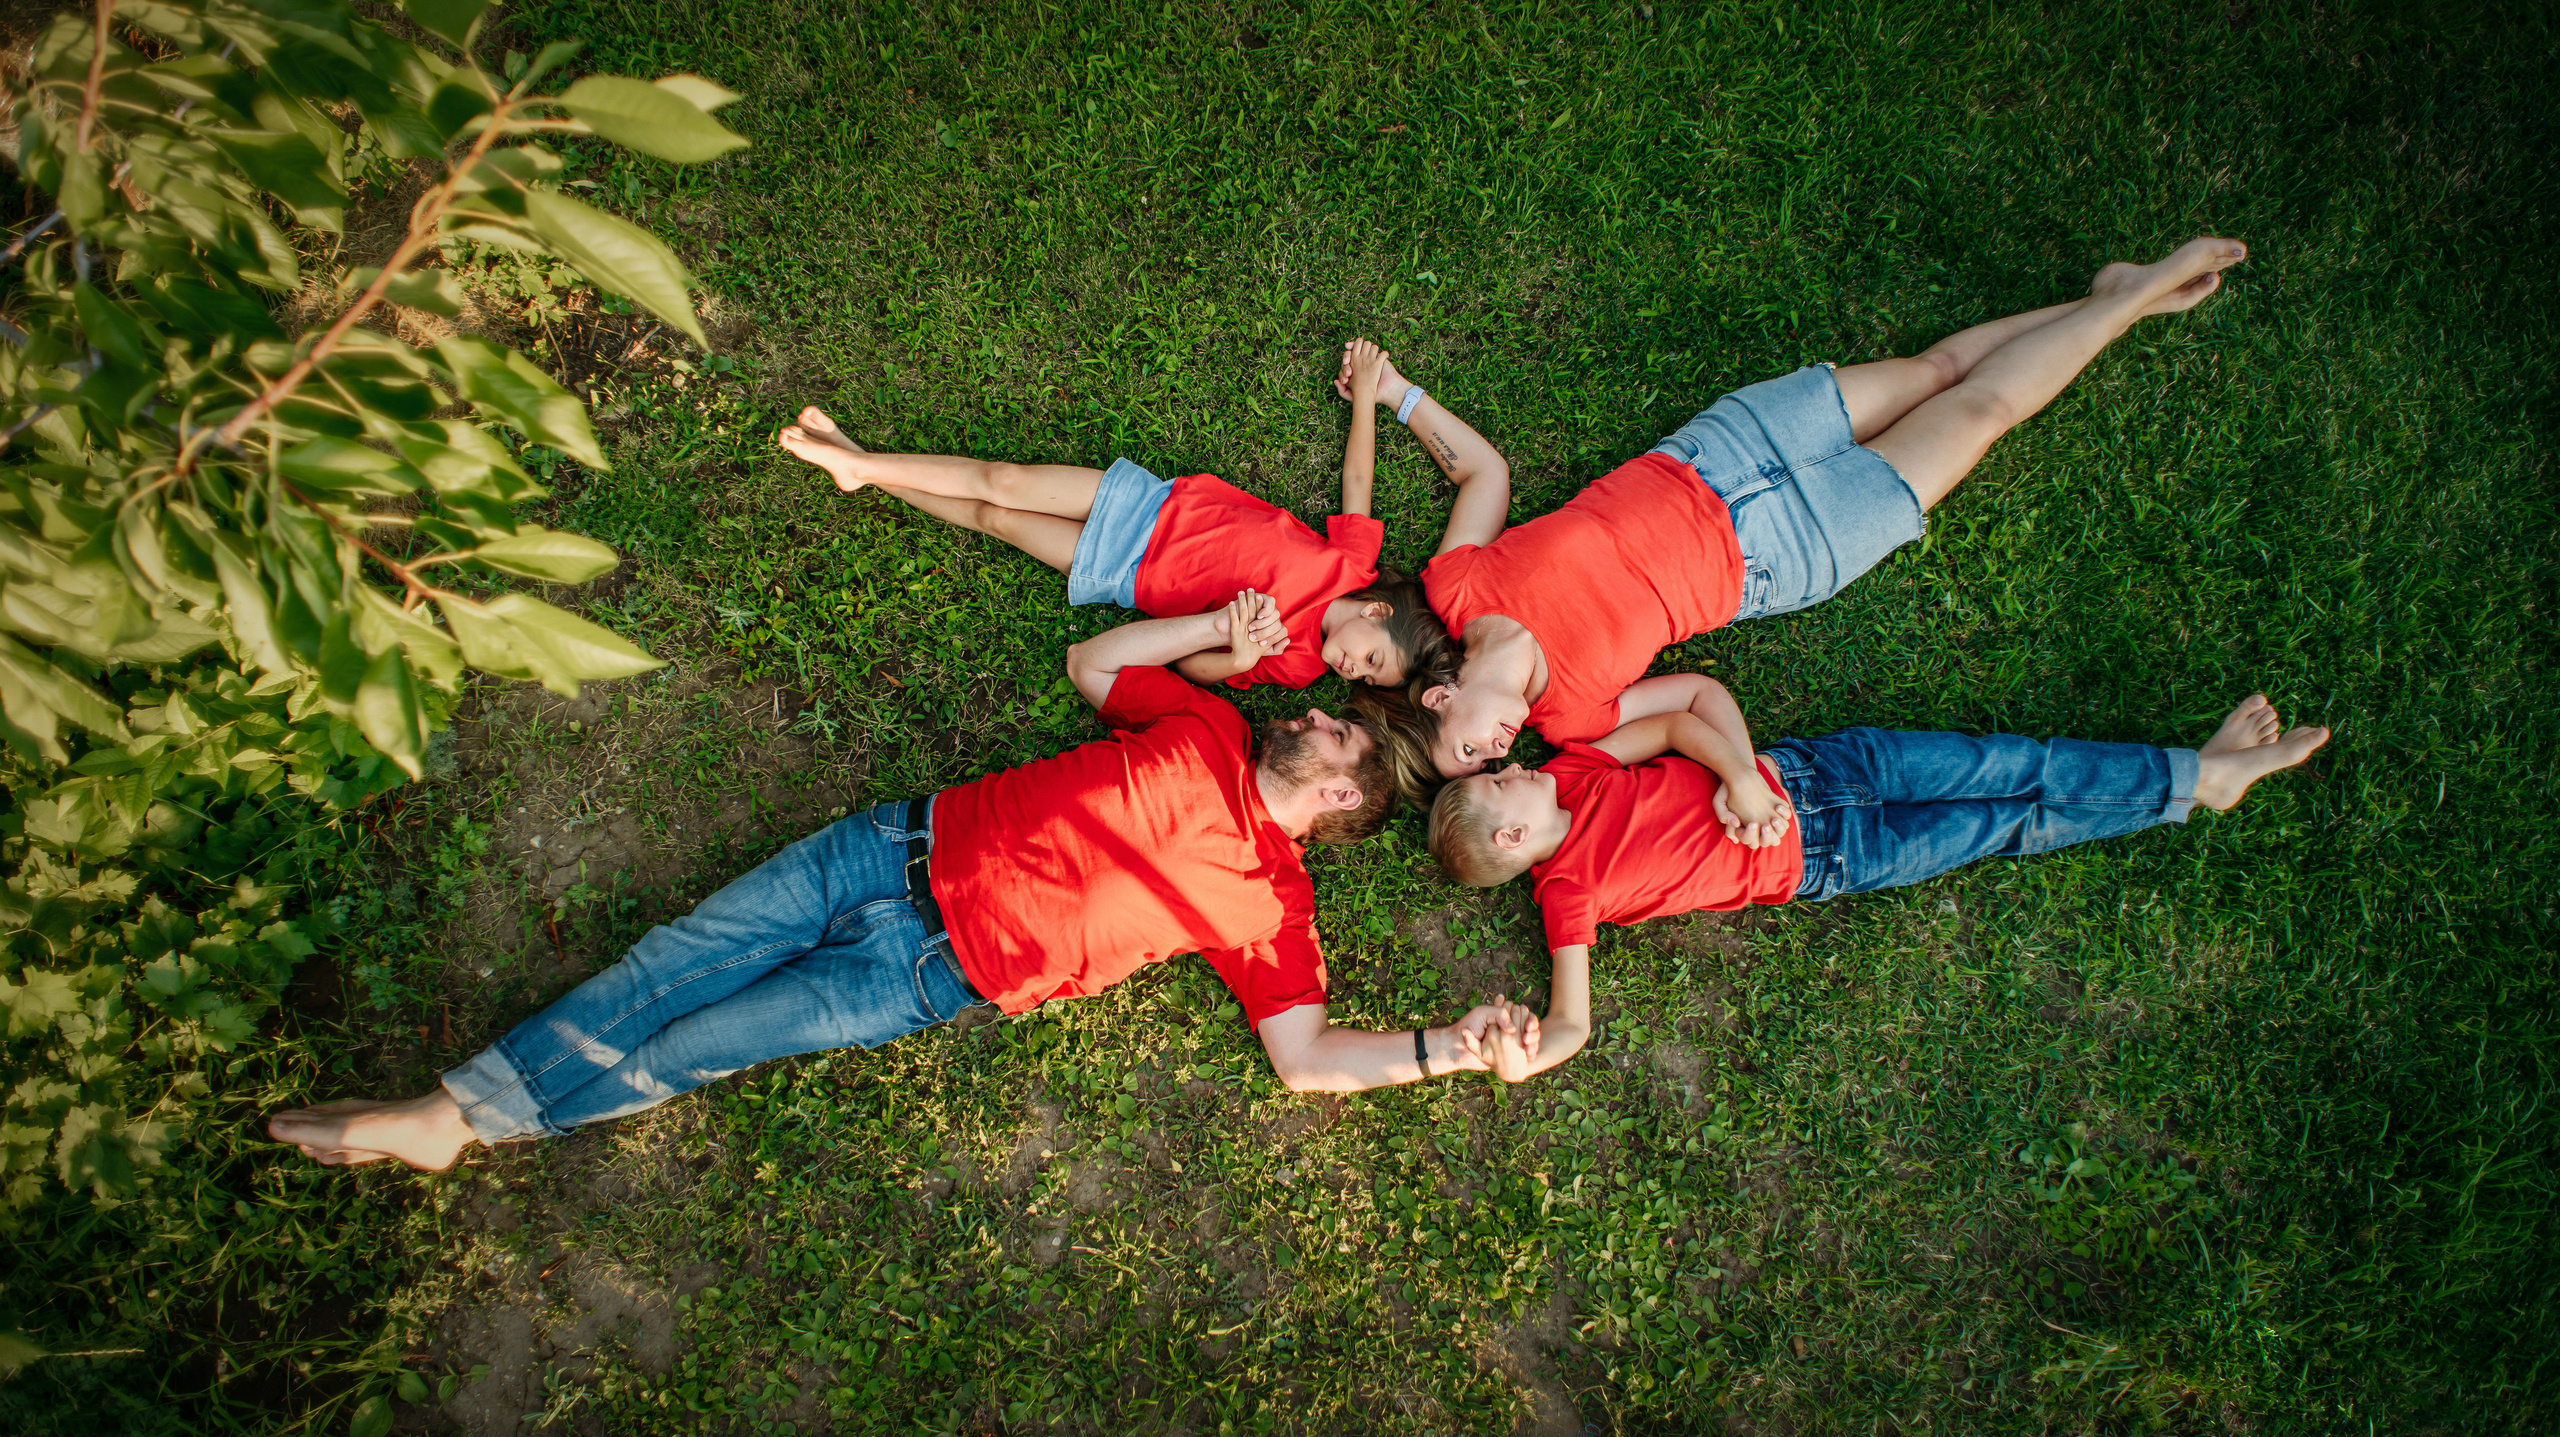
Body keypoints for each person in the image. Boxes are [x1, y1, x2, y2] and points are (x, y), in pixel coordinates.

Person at [267, 601, 1533, 1171]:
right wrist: (1213, 638)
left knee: (697, 1041)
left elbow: (1306, 1061)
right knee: (666, 967)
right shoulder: (1206, 724)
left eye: (1334, 732)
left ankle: (462, 1120)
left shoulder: (1274, 908)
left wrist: (1451, 1052)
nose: (1313, 712)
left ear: (1342, 800)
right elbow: (1098, 659)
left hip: (921, 975)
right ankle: (457, 1117)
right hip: (882, 849)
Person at [1392, 238, 2253, 780]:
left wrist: (1398, 396)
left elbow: (1483, 475)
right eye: (1488, 765)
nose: (1497, 750)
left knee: (1936, 371)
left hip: (1719, 452)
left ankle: (2120, 297)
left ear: (1439, 701)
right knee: (1983, 412)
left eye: (1471, 748)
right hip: (1787, 551)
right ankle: (2134, 294)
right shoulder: (1570, 720)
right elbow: (1693, 697)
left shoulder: (1458, 586)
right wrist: (1737, 777)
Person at [1427, 683, 2328, 1080]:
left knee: (2009, 761)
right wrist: (1520, 1062)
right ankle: (2194, 780)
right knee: (2007, 819)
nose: (1514, 763)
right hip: (1833, 857)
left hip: (1818, 770)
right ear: (1513, 831)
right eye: (1502, 778)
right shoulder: (1567, 891)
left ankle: (2195, 776)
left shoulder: (1577, 771)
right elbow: (1574, 1019)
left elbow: (1675, 724)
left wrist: (1741, 777)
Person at [774, 340, 1462, 690]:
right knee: (1005, 480)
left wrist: (1238, 656)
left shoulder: (1299, 664)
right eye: (1371, 659)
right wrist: (1368, 393)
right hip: (1154, 508)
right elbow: (1358, 477)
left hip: (1132, 577)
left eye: (1369, 678)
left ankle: (861, 469)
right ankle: (863, 465)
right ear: (1375, 610)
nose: (1355, 671)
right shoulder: (1351, 563)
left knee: (995, 518)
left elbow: (1191, 664)